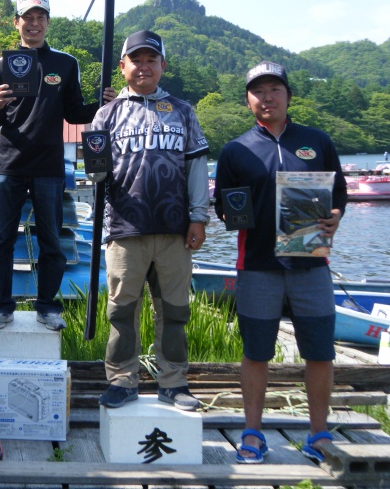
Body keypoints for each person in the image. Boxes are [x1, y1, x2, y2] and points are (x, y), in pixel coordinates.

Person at [215, 61, 347, 464]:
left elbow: (339, 196)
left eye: (275, 89)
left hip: (311, 265)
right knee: (256, 352)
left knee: (320, 352)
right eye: (258, 91)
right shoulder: (235, 149)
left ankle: (318, 432)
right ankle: (252, 432)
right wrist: (229, 213)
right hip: (257, 266)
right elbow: (224, 205)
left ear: (288, 95)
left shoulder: (316, 141)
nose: (267, 97)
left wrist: (335, 217)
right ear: (248, 100)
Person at [90, 30, 210, 412]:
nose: (143, 66)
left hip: (175, 230)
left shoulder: (183, 111)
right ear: (122, 66)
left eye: (150, 60)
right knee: (121, 310)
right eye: (135, 60)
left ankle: (173, 382)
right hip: (125, 228)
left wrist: (199, 218)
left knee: (174, 311)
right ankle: (122, 380)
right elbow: (94, 173)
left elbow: (196, 168)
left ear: (162, 66)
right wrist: (91, 161)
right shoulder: (106, 113)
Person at [0, 0, 115, 331]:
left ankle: (47, 306)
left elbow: (74, 113)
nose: (34, 23)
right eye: (28, 17)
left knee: (52, 241)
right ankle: (0, 306)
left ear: (48, 23)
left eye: (41, 17)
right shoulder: (2, 64)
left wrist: (103, 105)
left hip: (49, 167)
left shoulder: (66, 63)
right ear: (17, 23)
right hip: (8, 164)